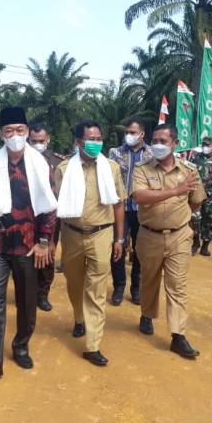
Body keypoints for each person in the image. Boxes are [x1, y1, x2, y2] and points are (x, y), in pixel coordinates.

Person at [0, 107, 57, 380]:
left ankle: (21, 346)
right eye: (9, 131)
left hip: (29, 245)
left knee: (27, 302)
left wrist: (43, 241)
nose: (15, 135)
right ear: (1, 133)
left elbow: (50, 206)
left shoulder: (41, 165)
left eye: (19, 130)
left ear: (26, 131)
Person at [133, 124, 206, 357]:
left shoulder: (189, 170)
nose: (158, 145)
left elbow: (197, 200)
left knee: (177, 285)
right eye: (155, 140)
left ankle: (178, 335)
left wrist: (178, 216)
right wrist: (176, 191)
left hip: (179, 236)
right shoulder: (142, 169)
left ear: (175, 143)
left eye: (163, 141)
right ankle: (147, 314)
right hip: (149, 235)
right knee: (149, 279)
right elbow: (140, 196)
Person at [56, 120, 125, 366]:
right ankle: (79, 318)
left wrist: (119, 238)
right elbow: (56, 205)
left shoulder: (112, 168)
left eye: (98, 139)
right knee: (74, 283)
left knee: (96, 289)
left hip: (101, 234)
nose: (96, 143)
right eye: (90, 139)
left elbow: (118, 204)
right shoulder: (64, 169)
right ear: (78, 142)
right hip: (71, 234)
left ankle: (93, 345)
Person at [108, 118, 152, 305]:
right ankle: (119, 286)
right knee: (117, 246)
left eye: (133, 132)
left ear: (142, 134)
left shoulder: (151, 154)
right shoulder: (115, 153)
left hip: (143, 209)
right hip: (121, 208)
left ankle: (136, 288)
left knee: (140, 250)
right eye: (127, 132)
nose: (129, 135)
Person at [28, 121, 64, 312]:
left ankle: (42, 294)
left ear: (48, 139)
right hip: (27, 216)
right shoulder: (22, 158)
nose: (37, 144)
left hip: (50, 217)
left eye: (41, 141)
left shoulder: (58, 162)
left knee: (48, 254)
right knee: (25, 255)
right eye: (34, 141)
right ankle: (27, 292)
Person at [191, 136, 212, 257]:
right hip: (196, 193)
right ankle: (195, 242)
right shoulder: (196, 158)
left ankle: (205, 246)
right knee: (194, 218)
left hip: (211, 195)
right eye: (204, 144)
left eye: (208, 145)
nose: (205, 147)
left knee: (209, 220)